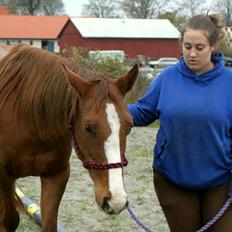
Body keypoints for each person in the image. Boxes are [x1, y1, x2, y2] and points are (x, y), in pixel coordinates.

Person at [128, 14, 232, 232]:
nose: (192, 54)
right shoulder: (166, 78)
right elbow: (142, 112)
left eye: (199, 47)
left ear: (213, 46)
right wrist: (108, 110)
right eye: (187, 46)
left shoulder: (229, 82)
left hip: (221, 180)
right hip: (174, 178)